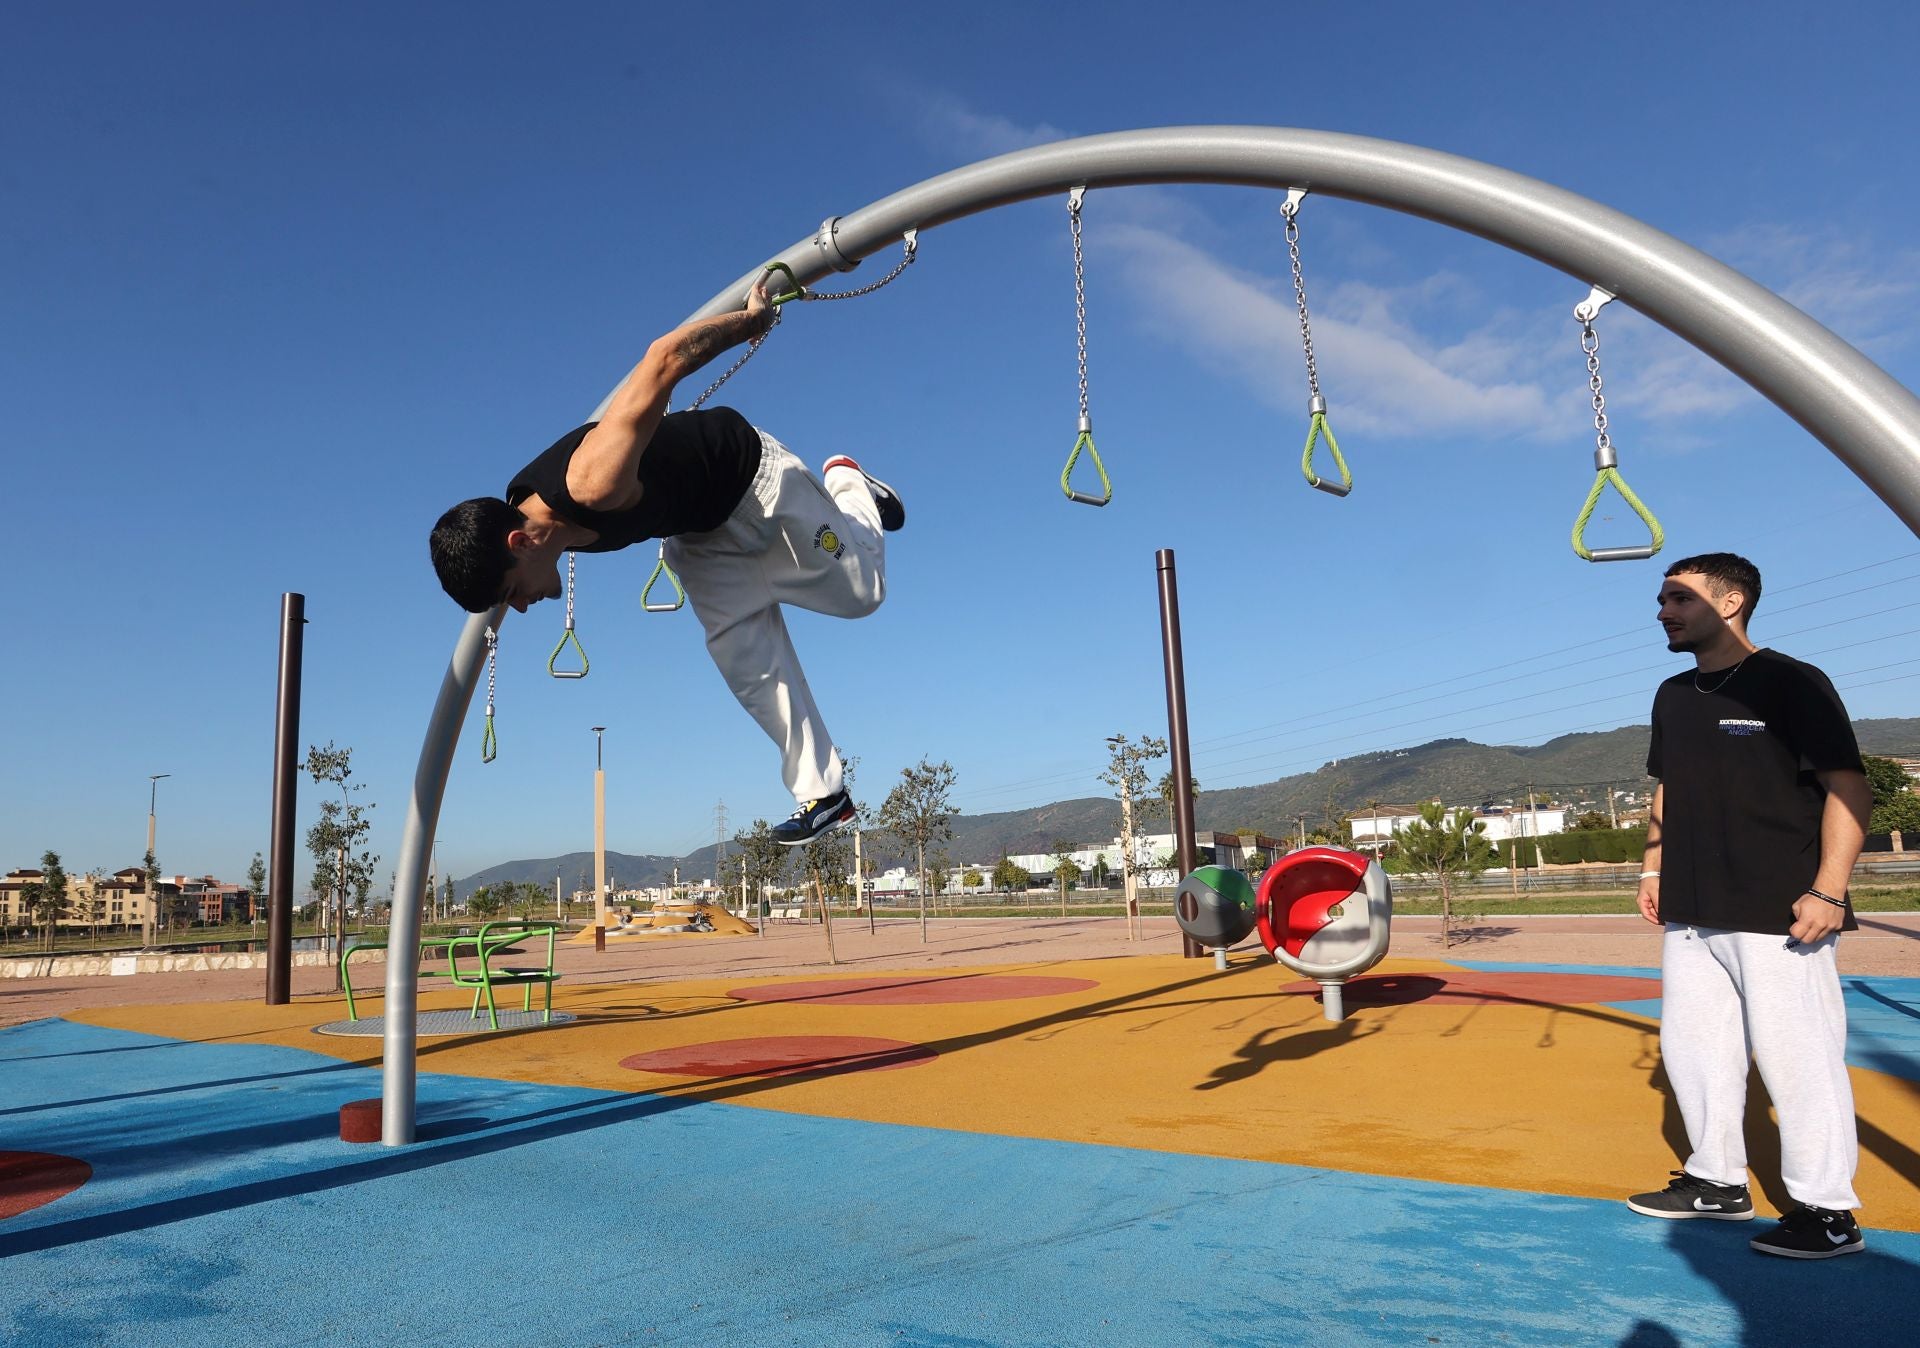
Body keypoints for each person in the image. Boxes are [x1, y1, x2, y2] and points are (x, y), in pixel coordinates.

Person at [429, 277, 902, 845]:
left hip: (754, 483)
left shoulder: (591, 481)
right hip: (700, 537)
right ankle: (823, 792)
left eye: (511, 594)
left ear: (520, 543)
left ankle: (848, 482)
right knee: (743, 655)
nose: (521, 608)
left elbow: (664, 358)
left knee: (862, 593)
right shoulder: (533, 524)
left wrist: (750, 322)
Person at [1627, 552, 1873, 1259]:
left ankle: (1828, 1210)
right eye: (1662, 599)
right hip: (1692, 906)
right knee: (1694, 1051)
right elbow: (1668, 788)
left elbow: (1849, 788)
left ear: (1730, 602)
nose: (1663, 611)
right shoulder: (1673, 695)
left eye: (1679, 598)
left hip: (1780, 907)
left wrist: (1828, 889)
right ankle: (1717, 1181)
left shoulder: (1792, 681)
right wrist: (1652, 868)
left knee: (1799, 1058)